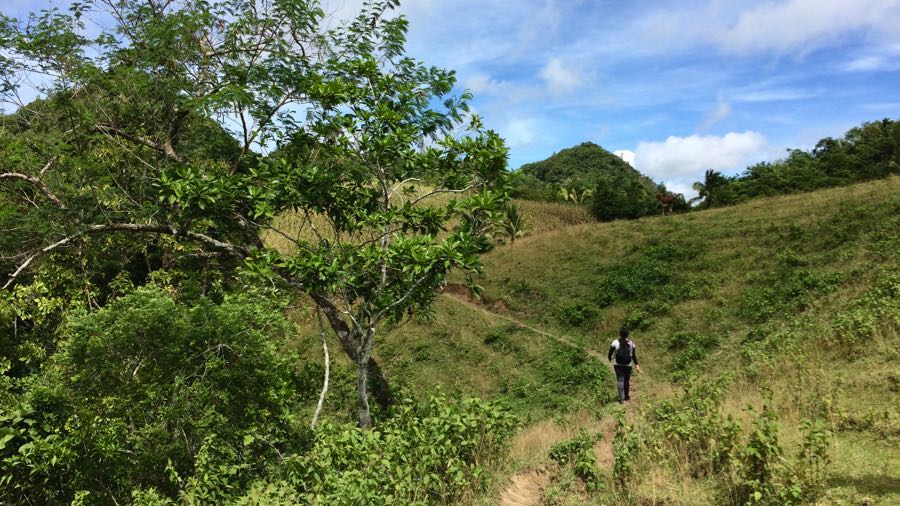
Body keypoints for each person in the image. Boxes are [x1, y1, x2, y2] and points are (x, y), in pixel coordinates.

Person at [608, 328, 641, 403]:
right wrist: (637, 365)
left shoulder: (615, 342)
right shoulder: (631, 343)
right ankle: (626, 396)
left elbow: (610, 353)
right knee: (626, 380)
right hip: (628, 365)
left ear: (620, 334)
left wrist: (610, 358)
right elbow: (633, 355)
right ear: (627, 335)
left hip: (617, 364)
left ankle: (621, 398)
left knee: (620, 380)